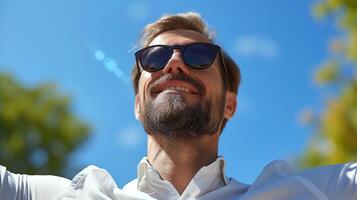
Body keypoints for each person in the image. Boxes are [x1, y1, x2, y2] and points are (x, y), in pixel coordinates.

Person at [1, 12, 357, 200]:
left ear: (229, 104)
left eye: (199, 56)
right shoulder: (71, 196)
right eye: (154, 58)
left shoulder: (310, 193)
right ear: (138, 105)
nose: (174, 63)